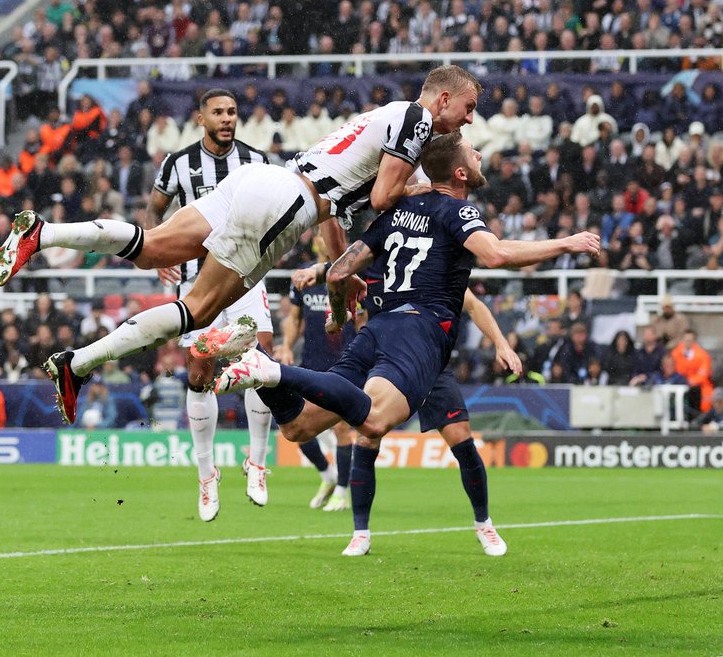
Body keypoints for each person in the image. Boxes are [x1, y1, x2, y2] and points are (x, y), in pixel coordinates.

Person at [0, 66, 482, 423]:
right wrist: (424, 189)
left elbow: (338, 213)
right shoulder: (416, 121)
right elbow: (381, 196)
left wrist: (339, 267)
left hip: (264, 179)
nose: (468, 120)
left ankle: (43, 234)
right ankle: (77, 364)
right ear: (442, 98)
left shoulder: (387, 117)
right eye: (467, 108)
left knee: (151, 247)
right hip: (287, 205)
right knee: (199, 310)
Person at [214, 133, 600, 555]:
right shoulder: (459, 210)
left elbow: (341, 271)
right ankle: (272, 370)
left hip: (376, 331)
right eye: (473, 152)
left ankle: (259, 363)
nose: (479, 154)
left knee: (297, 427)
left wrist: (340, 314)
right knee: (374, 423)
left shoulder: (398, 210)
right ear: (459, 172)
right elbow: (497, 255)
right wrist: (565, 243)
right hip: (418, 333)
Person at [292, 256, 522, 555]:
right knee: (367, 436)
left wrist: (501, 344)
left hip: (430, 365)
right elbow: (340, 266)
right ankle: (360, 533)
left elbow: (474, 305)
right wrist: (313, 271)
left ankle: (484, 524)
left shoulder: (428, 273)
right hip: (385, 364)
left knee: (462, 439)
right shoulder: (374, 264)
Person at [143, 88, 278, 522]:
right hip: (194, 278)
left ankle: (257, 463)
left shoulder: (258, 161)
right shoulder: (178, 163)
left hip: (245, 273)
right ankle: (206, 474)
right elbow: (155, 210)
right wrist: (157, 252)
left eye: (232, 112)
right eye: (218, 112)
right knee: (200, 372)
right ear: (201, 118)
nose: (226, 118)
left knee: (260, 360)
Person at [281, 249, 358, 511]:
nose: (324, 238)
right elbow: (293, 318)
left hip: (343, 364)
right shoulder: (305, 278)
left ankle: (342, 491)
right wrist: (287, 346)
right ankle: (327, 476)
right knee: (297, 426)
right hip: (311, 363)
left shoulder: (350, 273)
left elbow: (361, 318)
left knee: (341, 428)